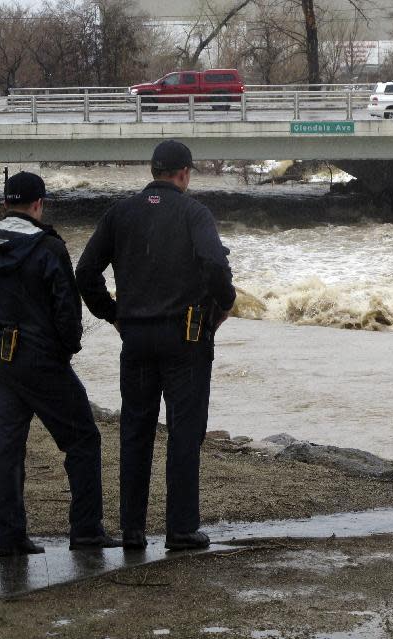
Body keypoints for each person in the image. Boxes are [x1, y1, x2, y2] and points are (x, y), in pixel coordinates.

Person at [75, 141, 236, 551]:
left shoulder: (120, 213)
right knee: (184, 431)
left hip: (137, 337)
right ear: (183, 173)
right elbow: (216, 265)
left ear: (153, 170)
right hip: (185, 338)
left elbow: (86, 271)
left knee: (135, 430)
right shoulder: (193, 212)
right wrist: (223, 304)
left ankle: (132, 530)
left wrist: (112, 313)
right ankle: (181, 529)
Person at [0, 172, 120, 556]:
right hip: (42, 359)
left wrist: (2, 338)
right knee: (83, 439)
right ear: (39, 203)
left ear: (4, 205)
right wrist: (66, 349)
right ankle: (85, 530)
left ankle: (11, 537)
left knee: (9, 449)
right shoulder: (48, 247)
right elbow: (67, 310)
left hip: (1, 357)